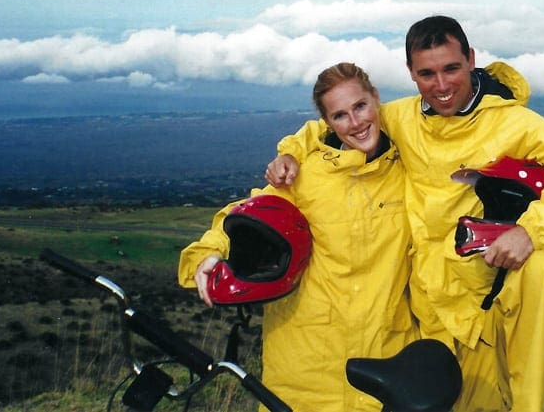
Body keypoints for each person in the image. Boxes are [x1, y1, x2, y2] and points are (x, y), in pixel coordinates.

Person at [267, 16, 544, 412]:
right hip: (430, 319)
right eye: (427, 73)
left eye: (451, 68)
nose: (442, 85)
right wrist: (290, 152)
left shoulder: (515, 124)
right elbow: (332, 124)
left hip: (489, 307)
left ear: (470, 59)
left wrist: (532, 231)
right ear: (411, 74)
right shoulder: (401, 118)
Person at [179, 62, 417, 412]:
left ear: (375, 99)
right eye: (340, 115)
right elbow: (251, 216)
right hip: (304, 370)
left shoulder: (409, 170)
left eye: (360, 106)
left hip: (384, 363)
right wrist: (210, 253)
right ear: (327, 122)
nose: (356, 122)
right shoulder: (305, 175)